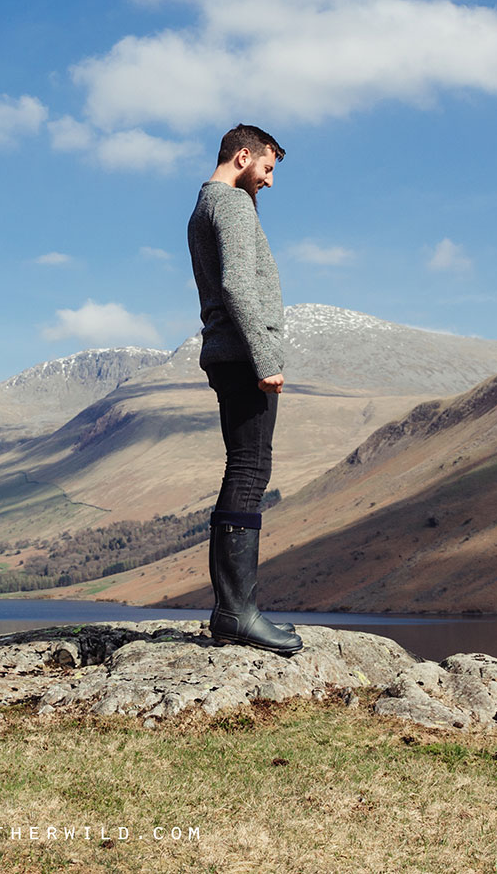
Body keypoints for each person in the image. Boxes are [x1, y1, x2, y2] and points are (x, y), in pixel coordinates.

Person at [187, 122, 300, 656]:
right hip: (242, 355)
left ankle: (236, 610)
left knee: (244, 467)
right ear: (243, 156)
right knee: (250, 470)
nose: (271, 183)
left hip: (225, 352)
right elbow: (236, 282)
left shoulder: (203, 204)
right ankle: (236, 613)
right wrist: (266, 356)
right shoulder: (230, 205)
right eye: (268, 169)